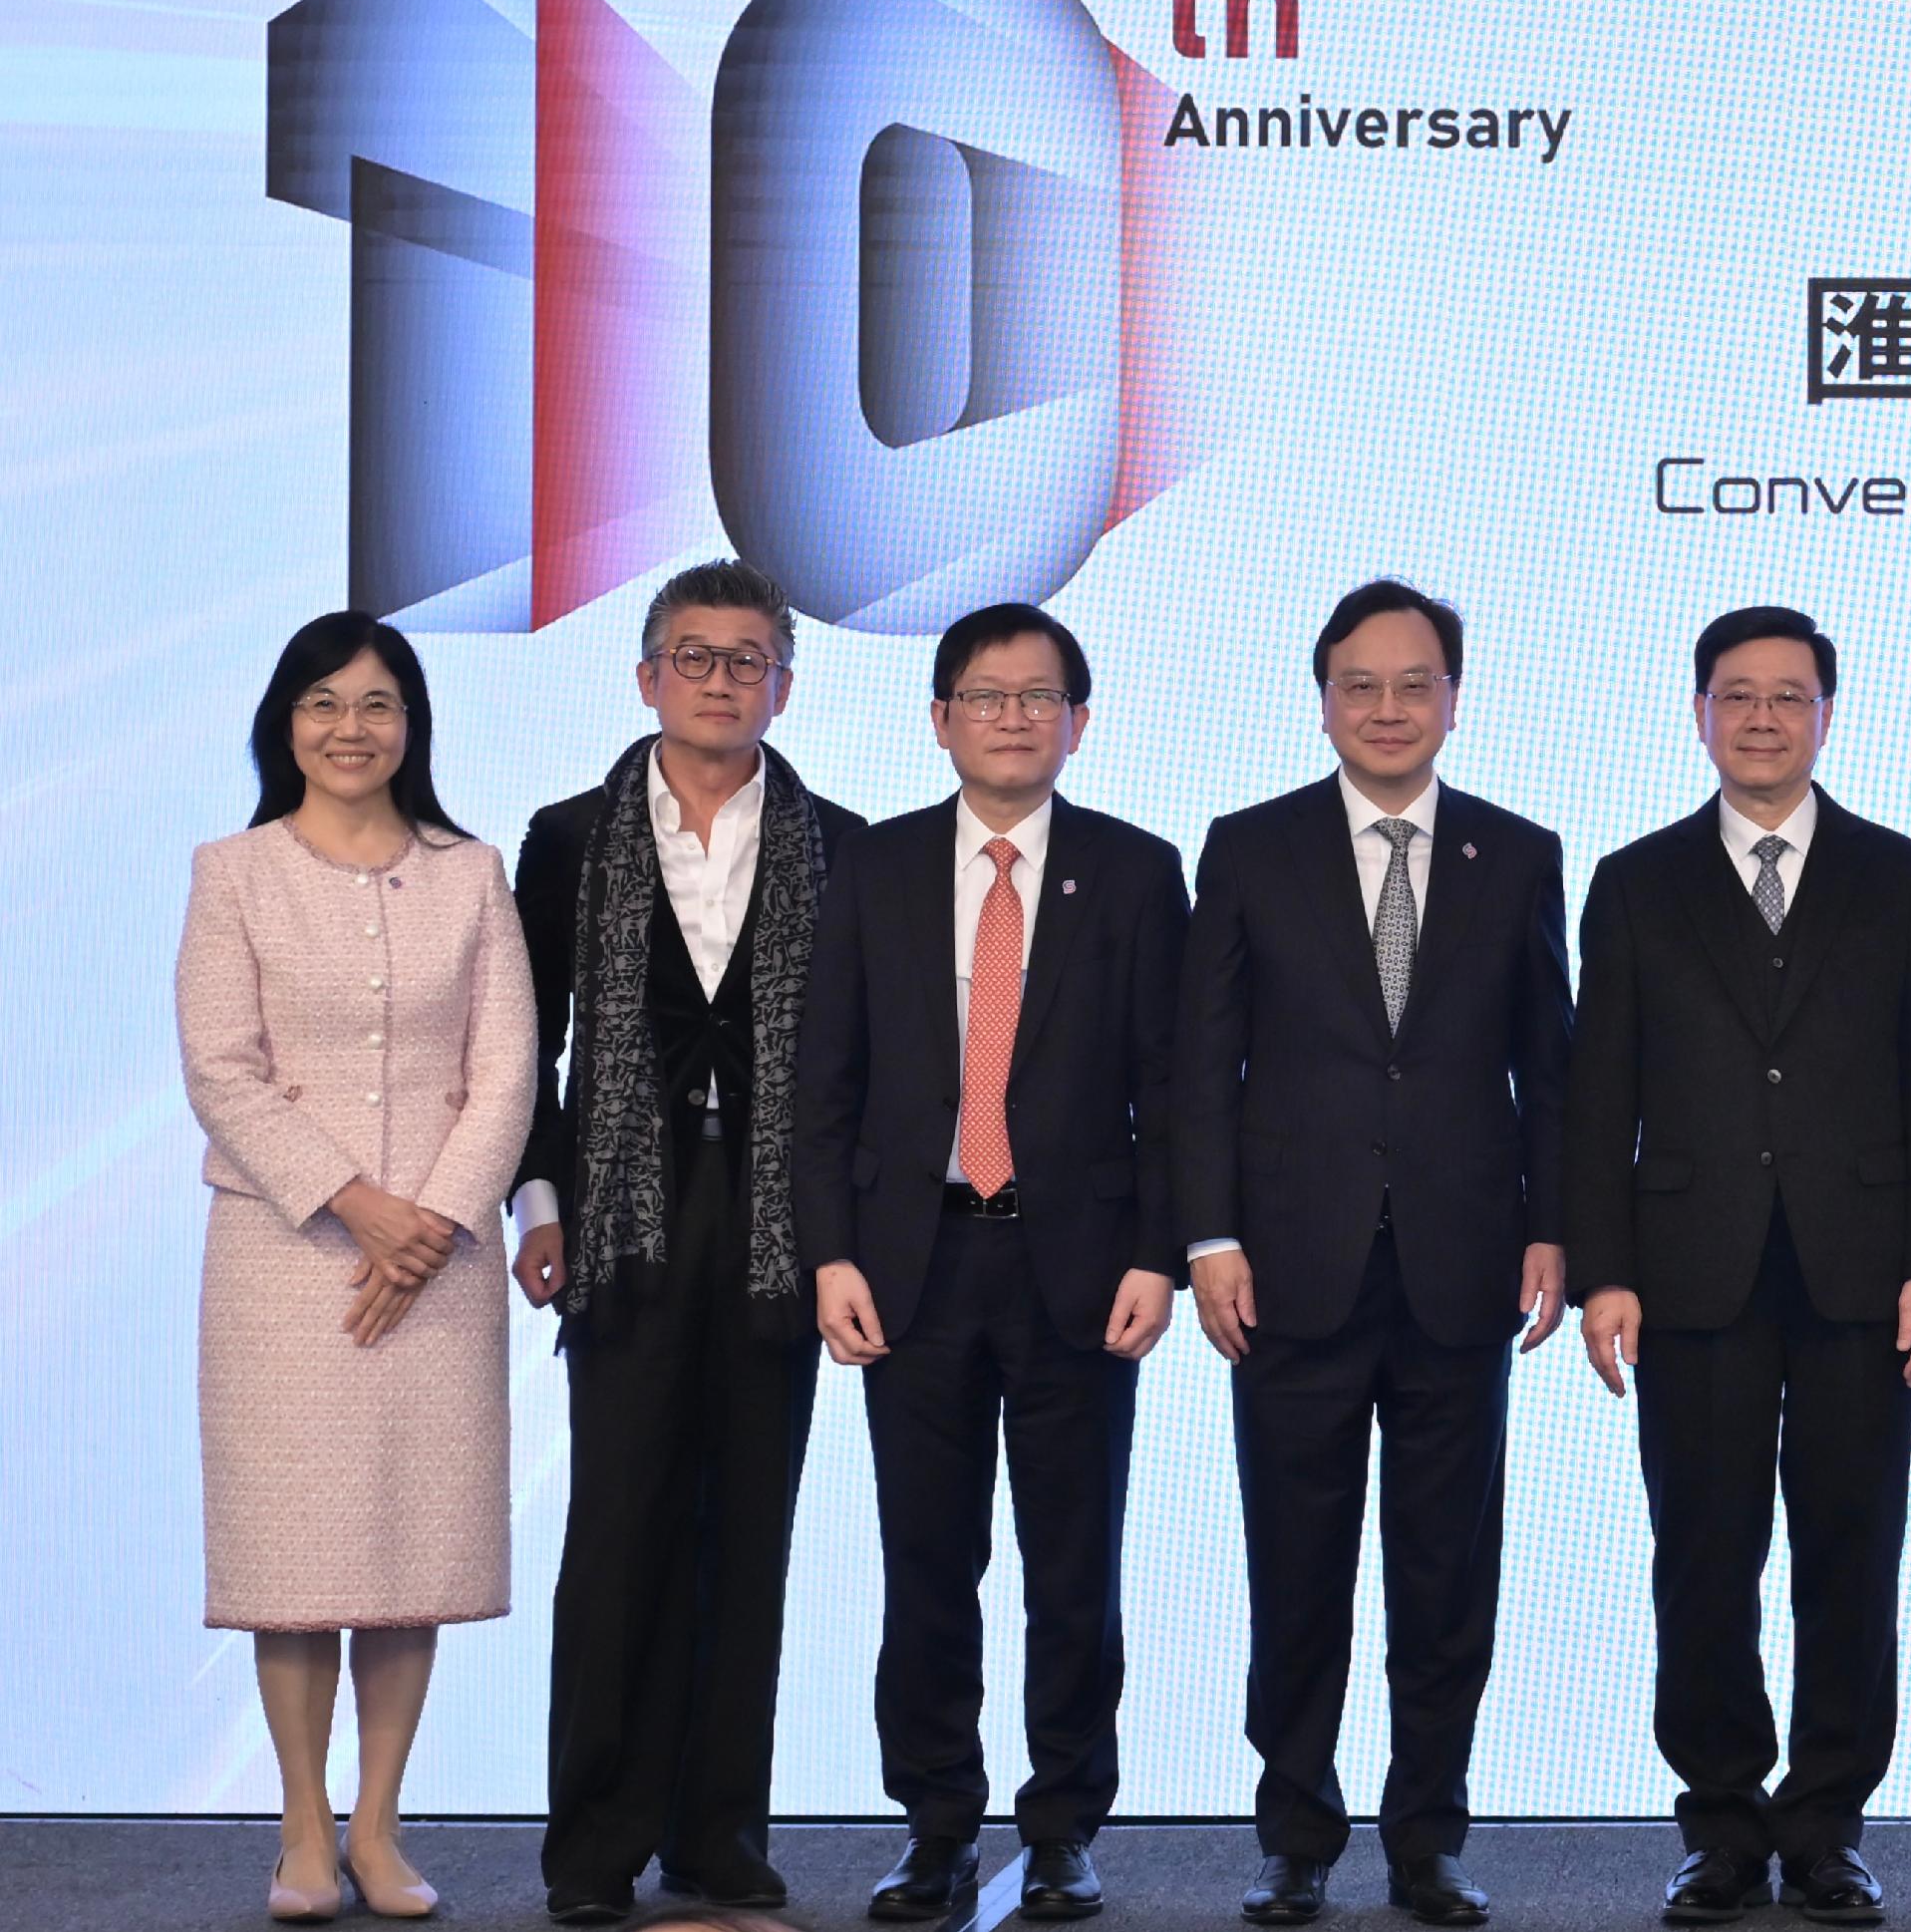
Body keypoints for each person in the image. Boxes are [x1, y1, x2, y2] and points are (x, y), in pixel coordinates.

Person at [1566, 607, 1911, 1926]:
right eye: (1735, 695)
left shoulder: (1903, 875)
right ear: (1699, 714)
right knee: (1703, 1548)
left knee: (1851, 1551)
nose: (1760, 718)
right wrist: (1604, 1268)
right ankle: (1722, 1821)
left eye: (1787, 696)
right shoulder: (1635, 881)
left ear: (1825, 715)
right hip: (1688, 1268)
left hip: (1865, 1268)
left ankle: (1830, 1822)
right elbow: (1598, 1094)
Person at [1177, 579, 1573, 1929]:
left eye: (1415, 683)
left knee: (1443, 1573)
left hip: (1461, 1267)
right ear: (1325, 695)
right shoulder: (1247, 847)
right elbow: (1200, 1063)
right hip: (1287, 1268)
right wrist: (1210, 1235)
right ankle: (1294, 1833)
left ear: (1453, 698)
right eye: (1362, 683)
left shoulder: (1516, 855)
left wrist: (1552, 1224)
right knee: (1298, 1563)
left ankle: (1429, 1836)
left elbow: (1551, 1067)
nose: (1390, 707)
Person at [794, 603, 1189, 1924]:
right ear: (939, 718)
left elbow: (1171, 1087)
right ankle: (936, 1822)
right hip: (913, 1262)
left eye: (1039, 696)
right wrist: (829, 1253)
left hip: (1077, 1267)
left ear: (1080, 719)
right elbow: (823, 1083)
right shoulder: (876, 867)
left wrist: (1159, 1256)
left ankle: (1066, 1822)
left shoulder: (1137, 873)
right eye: (986, 693)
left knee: (1073, 1562)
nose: (1013, 716)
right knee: (928, 1562)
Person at [508, 559, 866, 1925]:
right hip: (619, 1216)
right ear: (646, 673)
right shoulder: (565, 838)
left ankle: (718, 1831)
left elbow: (864, 1070)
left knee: (747, 1532)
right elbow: (520, 1047)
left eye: (748, 660)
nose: (723, 681)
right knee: (617, 1537)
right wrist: (539, 1203)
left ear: (786, 682)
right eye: (695, 656)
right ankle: (594, 1841)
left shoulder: (843, 840)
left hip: (781, 1226)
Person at [175, 613, 534, 1924]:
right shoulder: (236, 870)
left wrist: (428, 1221)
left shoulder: (469, 870)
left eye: (377, 704)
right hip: (284, 1255)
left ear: (410, 725)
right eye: (323, 702)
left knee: (404, 1548)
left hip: (436, 1266)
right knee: (298, 1553)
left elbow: (506, 1068)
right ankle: (300, 1829)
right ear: (286, 719)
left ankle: (379, 1827)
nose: (350, 727)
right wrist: (359, 1205)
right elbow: (223, 1064)